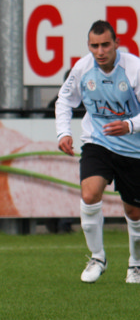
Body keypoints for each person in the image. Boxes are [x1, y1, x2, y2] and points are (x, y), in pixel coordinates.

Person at [56, 20, 140, 284]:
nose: (100, 51)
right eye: (94, 46)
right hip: (98, 142)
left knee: (135, 213)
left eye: (105, 45)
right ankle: (97, 257)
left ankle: (136, 264)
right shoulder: (82, 68)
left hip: (134, 149)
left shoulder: (134, 69)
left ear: (117, 44)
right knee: (90, 194)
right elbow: (64, 100)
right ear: (89, 46)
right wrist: (63, 132)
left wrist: (129, 125)